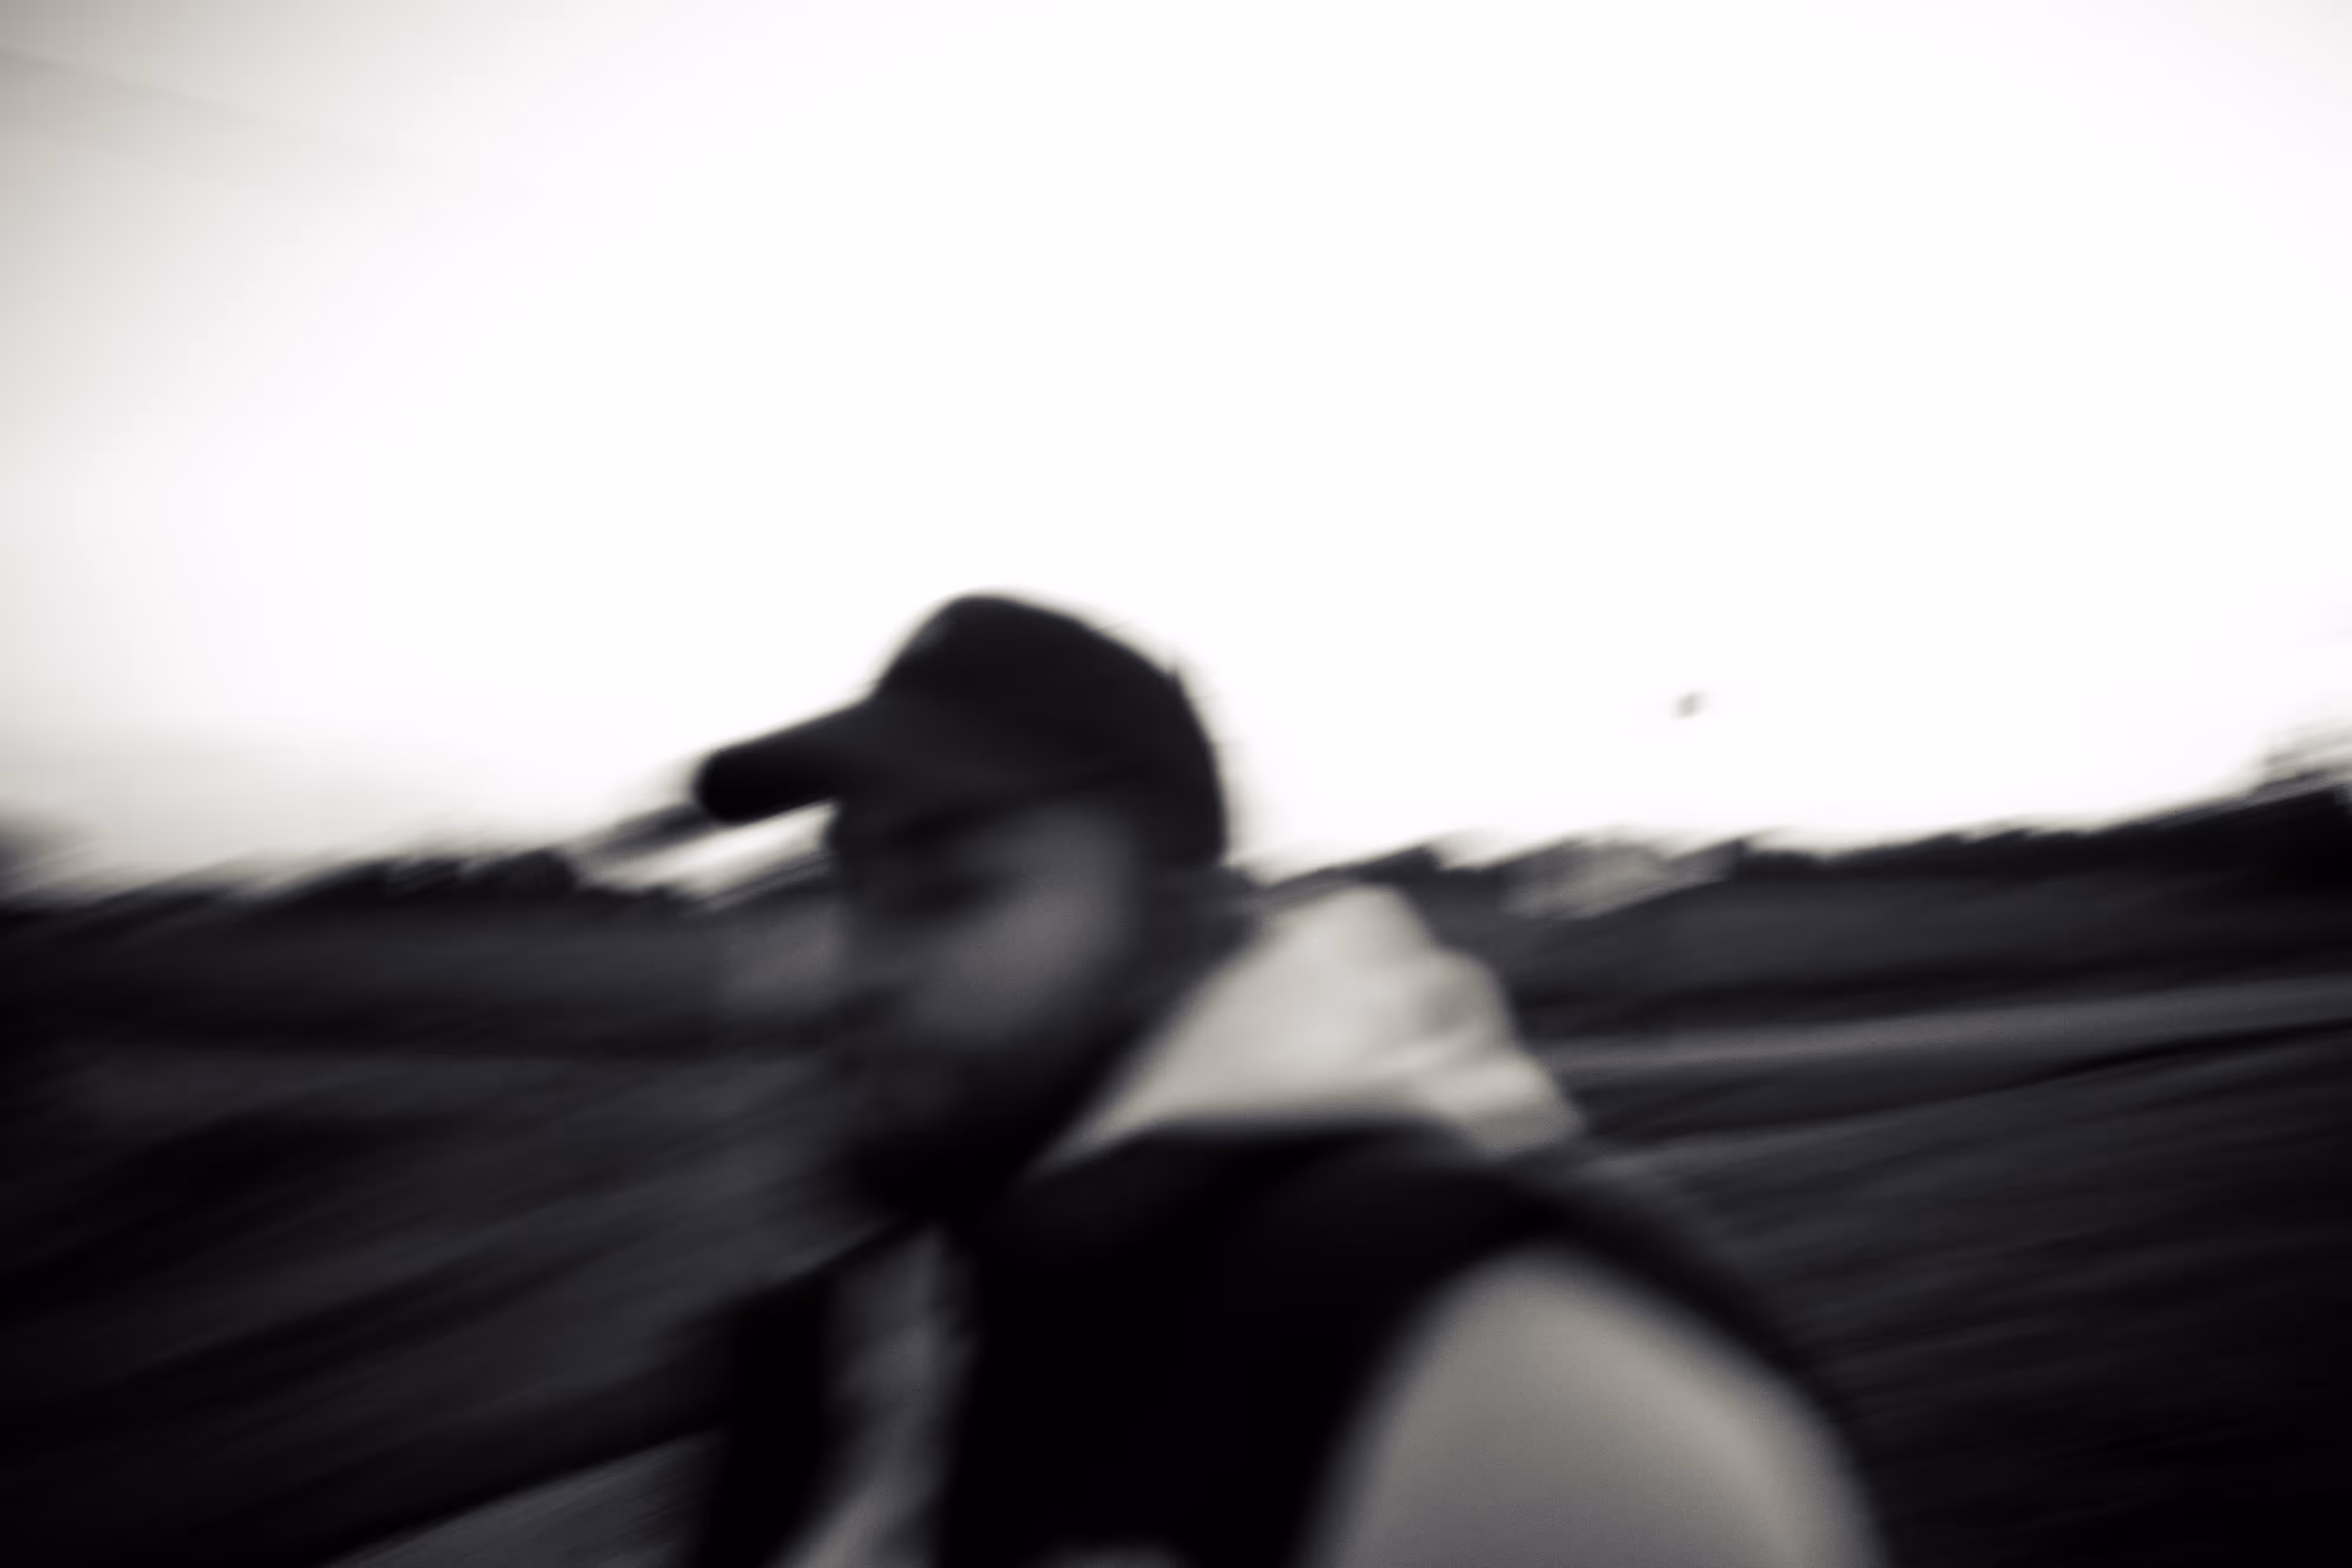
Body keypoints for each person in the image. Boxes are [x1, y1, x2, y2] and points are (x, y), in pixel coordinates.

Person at [639, 593, 1880, 1568]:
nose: (848, 973)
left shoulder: (1509, 1373)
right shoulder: (899, 1309)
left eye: (950, 888)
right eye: (851, 886)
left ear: (1182, 923)